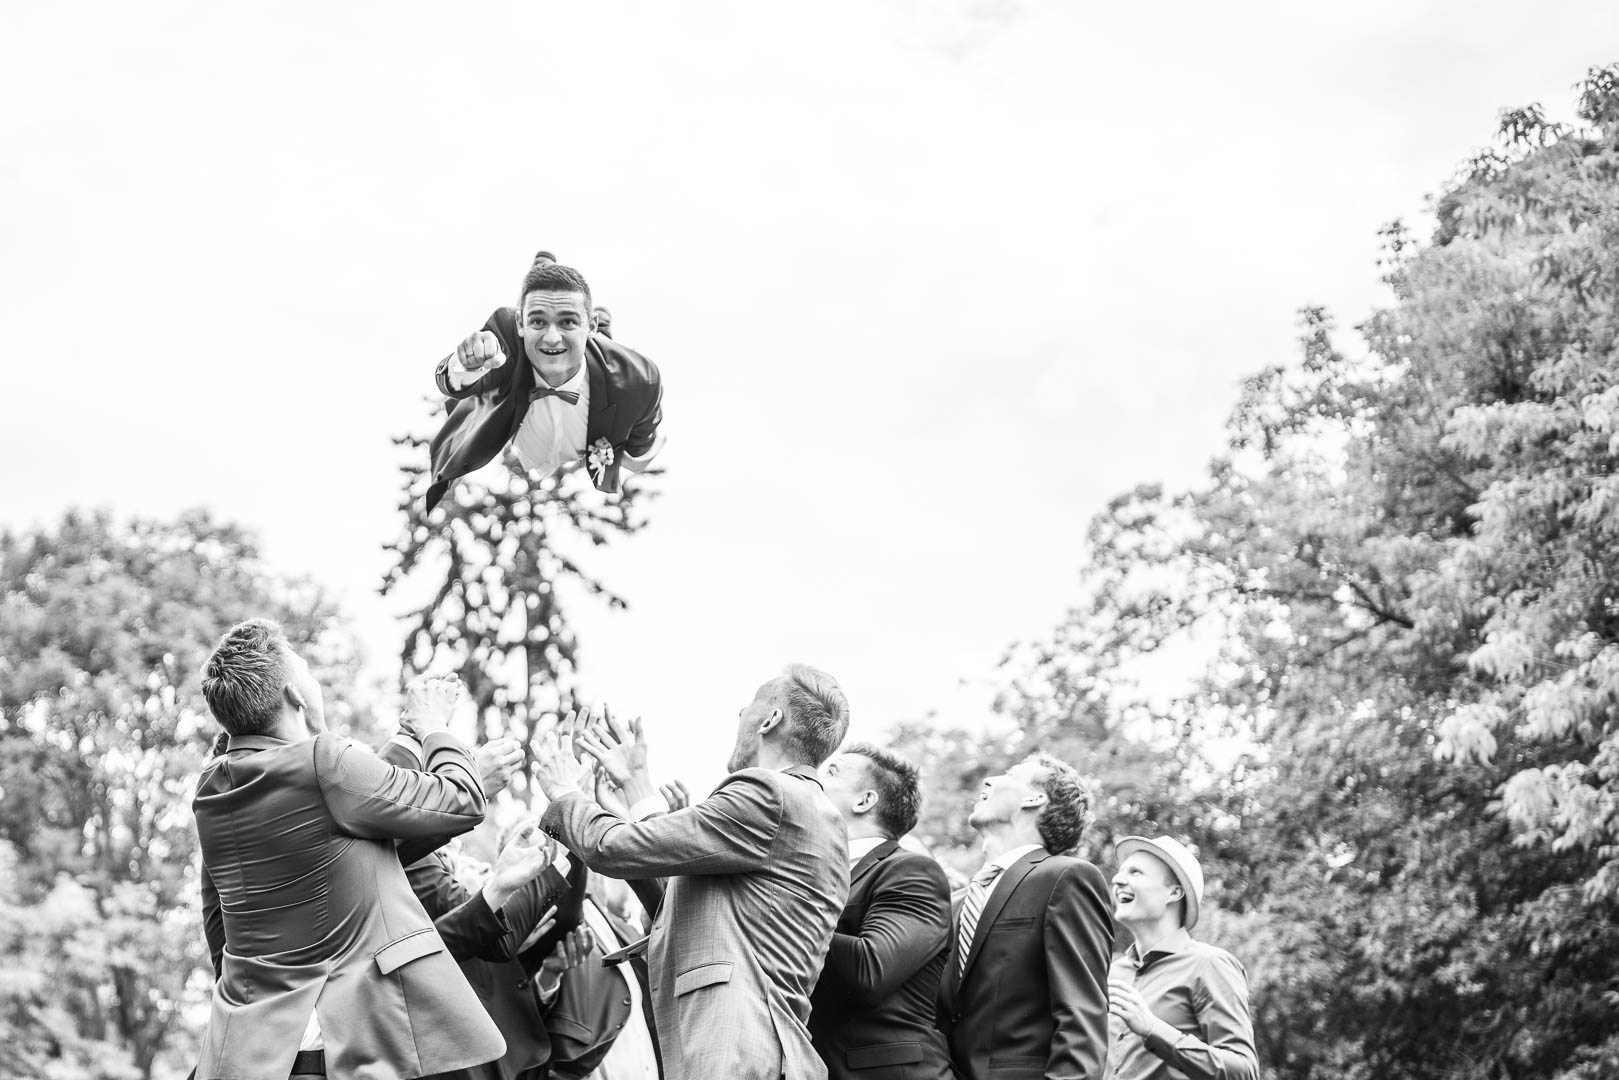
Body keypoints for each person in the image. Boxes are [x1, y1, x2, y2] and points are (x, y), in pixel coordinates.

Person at [192, 620, 505, 1080]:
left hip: (255, 1054)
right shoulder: (323, 761)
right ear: (295, 696)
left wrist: (407, 740)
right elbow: (462, 800)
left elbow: (221, 929)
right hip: (349, 1048)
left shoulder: (213, 793)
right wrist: (434, 727)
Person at [532, 668, 852, 1080]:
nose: (741, 713)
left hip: (736, 1050)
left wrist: (565, 794)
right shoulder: (808, 809)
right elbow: (682, 904)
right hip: (751, 1051)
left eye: (750, 703)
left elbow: (608, 849)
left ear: (770, 720)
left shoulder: (768, 795)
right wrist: (634, 786)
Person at [427, 254, 664, 511]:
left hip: (601, 363)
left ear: (590, 323)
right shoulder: (506, 340)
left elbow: (640, 450)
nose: (552, 338)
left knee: (595, 345)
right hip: (516, 386)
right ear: (519, 323)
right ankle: (544, 289)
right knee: (546, 331)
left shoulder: (640, 381)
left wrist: (633, 451)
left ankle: (591, 326)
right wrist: (467, 362)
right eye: (538, 321)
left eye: (568, 321)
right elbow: (453, 379)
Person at [937, 753, 1114, 1080]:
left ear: (1035, 799)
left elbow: (1081, 1018)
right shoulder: (956, 903)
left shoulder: (1067, 878)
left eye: (1011, 774)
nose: (990, 780)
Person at [811, 743, 954, 1080]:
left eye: (831, 771)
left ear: (865, 801)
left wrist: (779, 907)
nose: (811, 780)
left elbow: (870, 968)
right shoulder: (814, 871)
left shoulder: (912, 871)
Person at [1106, 836, 1259, 1080]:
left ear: (1175, 892)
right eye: (1120, 871)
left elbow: (1244, 1071)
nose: (1117, 879)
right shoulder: (1113, 972)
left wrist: (1153, 1029)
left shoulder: (1209, 964)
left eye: (1135, 872)